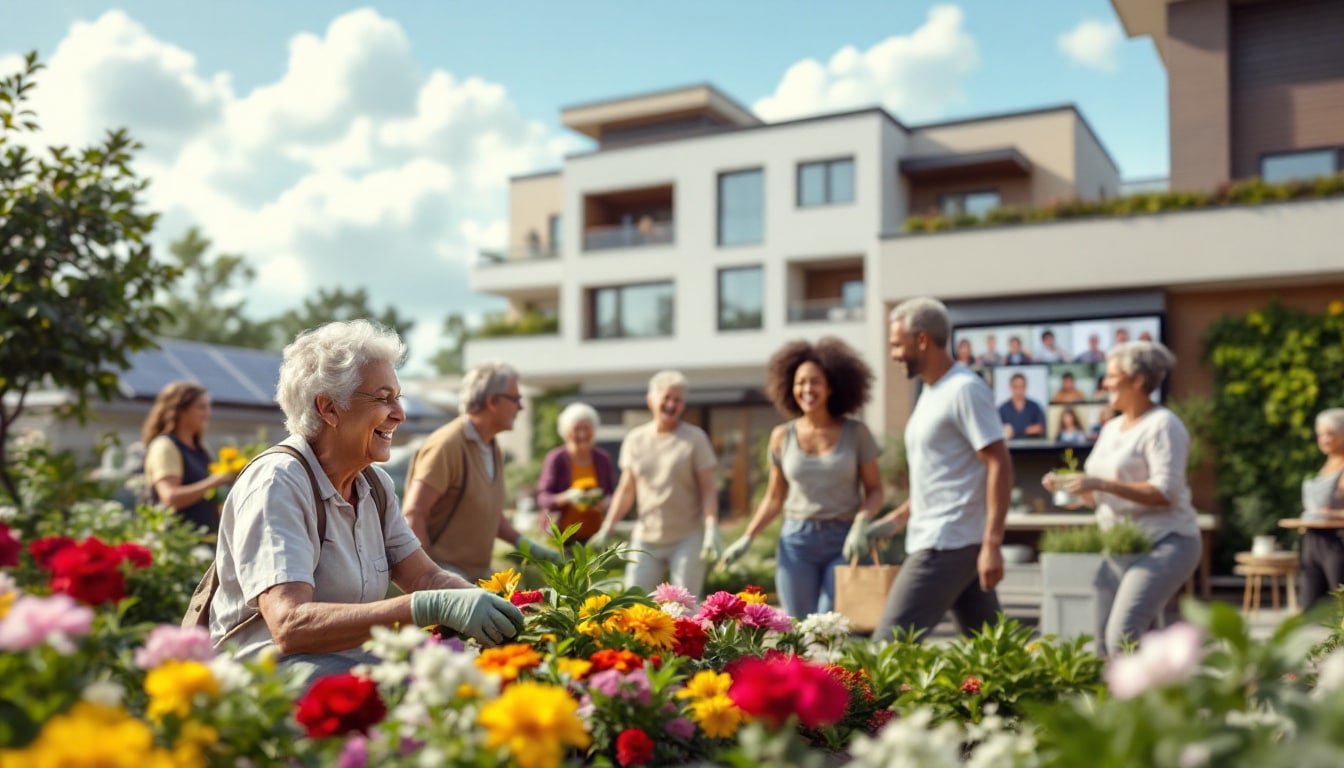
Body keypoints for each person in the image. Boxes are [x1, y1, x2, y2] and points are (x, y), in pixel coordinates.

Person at [210, 321, 525, 684]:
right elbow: (289, 624)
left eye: (398, 397)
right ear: (329, 408)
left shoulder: (372, 485)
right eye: (382, 398)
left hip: (347, 663)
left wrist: (506, 607)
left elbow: (424, 576)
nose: (399, 413)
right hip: (267, 680)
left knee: (472, 680)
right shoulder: (279, 482)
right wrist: (425, 607)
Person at [865, 297, 1013, 641]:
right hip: (947, 539)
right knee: (994, 653)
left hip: (946, 542)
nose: (893, 354)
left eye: (896, 344)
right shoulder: (932, 393)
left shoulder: (965, 390)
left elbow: (999, 463)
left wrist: (992, 544)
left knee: (885, 649)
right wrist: (895, 520)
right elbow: (940, 476)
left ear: (922, 340)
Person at [1041, 340, 1200, 656]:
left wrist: (1100, 483)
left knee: (1121, 636)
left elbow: (1164, 492)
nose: (1105, 383)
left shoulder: (1163, 425)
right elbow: (1097, 498)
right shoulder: (1112, 427)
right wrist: (1071, 490)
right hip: (1121, 547)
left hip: (1166, 543)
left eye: (1112, 375)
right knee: (1112, 638)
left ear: (1138, 380)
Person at [719, 338, 884, 618]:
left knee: (829, 625)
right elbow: (774, 497)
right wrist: (747, 537)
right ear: (789, 387)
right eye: (800, 382)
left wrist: (862, 523)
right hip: (797, 542)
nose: (807, 389)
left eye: (815, 381)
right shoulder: (782, 436)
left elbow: (876, 490)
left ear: (831, 386)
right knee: (797, 629)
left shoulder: (856, 434)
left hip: (843, 541)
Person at [403, 363, 562, 581]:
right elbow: (414, 512)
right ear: (492, 402)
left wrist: (530, 547)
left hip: (474, 576)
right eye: (515, 399)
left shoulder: (492, 446)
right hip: (446, 575)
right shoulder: (447, 445)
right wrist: (431, 575)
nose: (521, 407)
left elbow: (490, 517)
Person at [590, 371, 721, 596]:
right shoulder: (635, 439)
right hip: (646, 537)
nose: (671, 404)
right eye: (666, 397)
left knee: (684, 608)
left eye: (678, 400)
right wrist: (608, 525)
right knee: (634, 601)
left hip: (687, 536)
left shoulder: (695, 438)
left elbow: (708, 490)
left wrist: (711, 528)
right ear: (651, 400)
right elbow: (626, 489)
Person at [141, 381, 235, 534]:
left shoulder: (202, 450)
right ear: (180, 410)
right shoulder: (165, 446)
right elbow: (170, 497)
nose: (207, 413)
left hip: (203, 541)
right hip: (177, 545)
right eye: (201, 407)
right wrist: (215, 481)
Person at [535, 402, 616, 544]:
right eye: (577, 429)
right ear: (566, 431)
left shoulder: (602, 459)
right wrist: (567, 497)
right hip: (561, 537)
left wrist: (606, 501)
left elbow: (612, 493)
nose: (582, 434)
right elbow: (543, 498)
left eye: (587, 428)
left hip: (594, 536)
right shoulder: (556, 458)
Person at [1298, 408, 1344, 609]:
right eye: (1320, 434)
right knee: (1308, 610)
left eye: (1330, 433)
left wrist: (1331, 514)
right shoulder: (1325, 466)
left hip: (1335, 542)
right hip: (1312, 541)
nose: (1324, 439)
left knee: (1340, 606)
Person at [998, 373, 1046, 439]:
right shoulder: (1003, 409)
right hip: (1010, 446)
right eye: (1016, 387)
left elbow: (1040, 427)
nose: (1019, 390)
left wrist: (1032, 429)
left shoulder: (1034, 407)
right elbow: (997, 431)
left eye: (1022, 386)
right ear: (1011, 387)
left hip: (1030, 445)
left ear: (1025, 387)